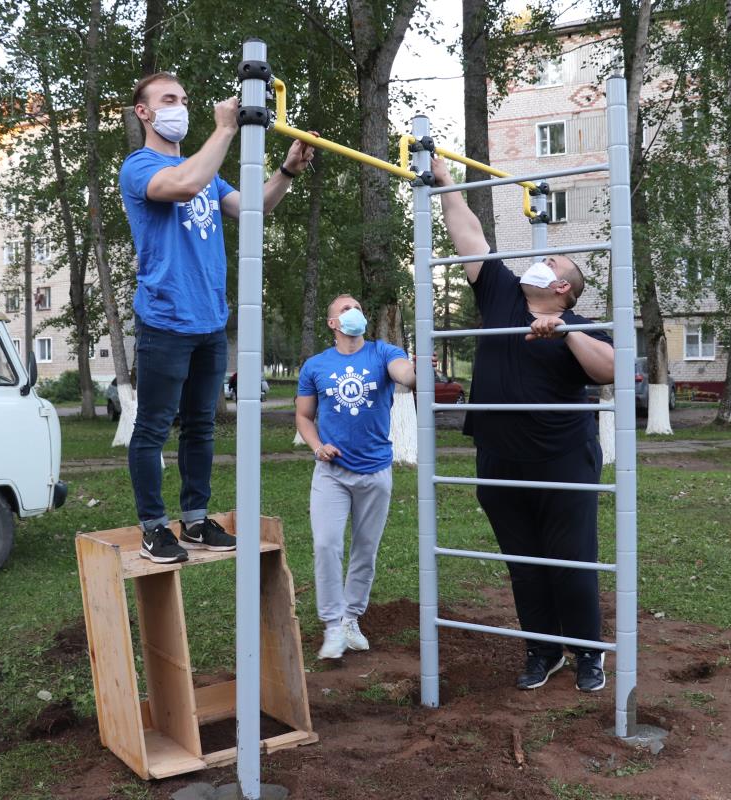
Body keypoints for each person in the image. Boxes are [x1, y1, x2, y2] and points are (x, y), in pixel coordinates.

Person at [431, 157, 615, 692]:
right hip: (499, 457)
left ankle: (588, 655)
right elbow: (469, 234)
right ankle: (543, 651)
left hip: (562, 462)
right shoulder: (503, 294)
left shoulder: (582, 324)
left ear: (563, 289)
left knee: (571, 561)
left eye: (551, 261)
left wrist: (564, 334)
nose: (539, 261)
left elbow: (609, 371)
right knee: (524, 564)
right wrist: (447, 183)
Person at [119, 72, 314, 564]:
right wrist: (226, 128)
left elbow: (255, 207)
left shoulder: (202, 169)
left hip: (209, 320)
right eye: (168, 99)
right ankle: (153, 528)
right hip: (165, 318)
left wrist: (285, 172)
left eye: (183, 98)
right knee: (153, 427)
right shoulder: (139, 166)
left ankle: (196, 520)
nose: (179, 106)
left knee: (201, 426)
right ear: (144, 112)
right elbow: (183, 186)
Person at [295, 295, 421, 659]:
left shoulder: (382, 352)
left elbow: (405, 375)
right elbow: (304, 417)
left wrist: (417, 370)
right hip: (331, 473)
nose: (354, 313)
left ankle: (351, 619)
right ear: (332, 323)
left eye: (358, 308)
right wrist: (318, 446)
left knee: (365, 550)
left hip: (376, 471)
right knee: (326, 545)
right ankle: (333, 625)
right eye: (344, 309)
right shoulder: (316, 365)